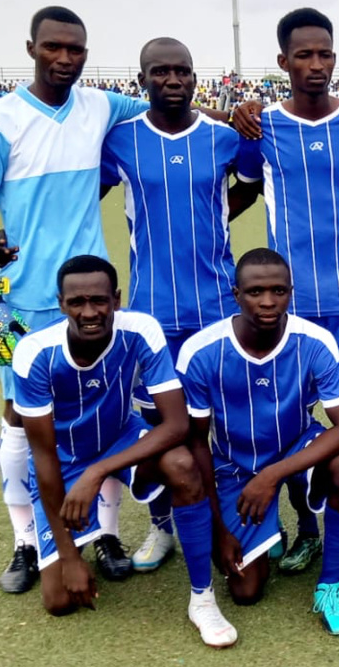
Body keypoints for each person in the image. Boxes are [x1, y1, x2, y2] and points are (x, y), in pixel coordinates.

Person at [0, 7, 150, 593]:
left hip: (92, 297)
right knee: (20, 419)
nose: (65, 58)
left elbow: (174, 108)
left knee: (107, 418)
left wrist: (242, 115)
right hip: (28, 305)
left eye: (76, 49)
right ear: (31, 48)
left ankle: (107, 533)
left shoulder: (101, 107)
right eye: (53, 48)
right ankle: (24, 542)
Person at [230, 8, 339, 574]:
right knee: (291, 419)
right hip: (287, 305)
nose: (316, 64)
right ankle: (304, 526)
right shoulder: (261, 129)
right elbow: (240, 196)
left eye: (325, 53)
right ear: (283, 62)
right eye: (304, 54)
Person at [12, 256, 237, 647]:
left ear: (116, 299)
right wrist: (69, 557)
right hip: (63, 459)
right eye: (77, 302)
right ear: (61, 303)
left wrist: (97, 472)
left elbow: (176, 424)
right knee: (59, 601)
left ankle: (202, 598)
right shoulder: (34, 353)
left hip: (120, 439)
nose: (89, 312)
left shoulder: (142, 329)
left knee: (183, 465)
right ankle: (70, 546)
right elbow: (44, 459)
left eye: (99, 300)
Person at [99, 37, 260, 574]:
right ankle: (165, 525)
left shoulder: (222, 137)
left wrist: (213, 221)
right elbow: (83, 196)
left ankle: (233, 517)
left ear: (196, 78)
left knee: (223, 420)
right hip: (149, 313)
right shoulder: (119, 140)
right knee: (157, 427)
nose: (173, 80)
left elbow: (250, 189)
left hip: (216, 306)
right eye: (160, 71)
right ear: (142, 79)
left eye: (183, 71)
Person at [177, 248, 339, 636]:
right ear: (235, 294)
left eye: (278, 291)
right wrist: (218, 531)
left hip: (296, 447)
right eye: (255, 292)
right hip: (234, 464)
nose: (267, 301)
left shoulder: (315, 341)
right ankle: (268, 531)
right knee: (246, 591)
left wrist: (273, 475)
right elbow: (196, 446)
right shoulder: (201, 351)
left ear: (291, 292)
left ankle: (330, 586)